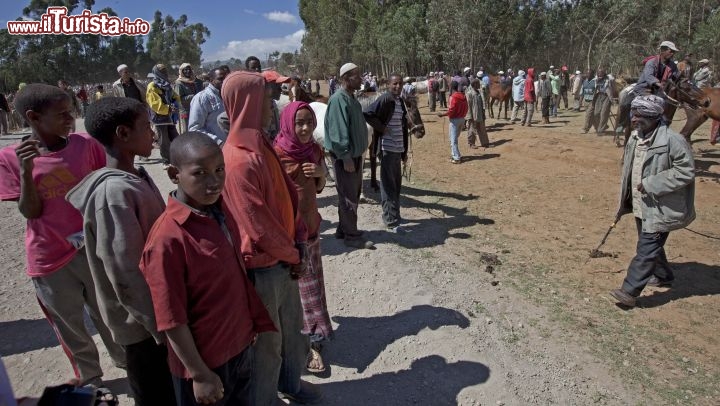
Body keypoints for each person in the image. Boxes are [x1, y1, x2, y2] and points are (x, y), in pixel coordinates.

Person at [0, 83, 125, 386]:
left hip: (92, 251)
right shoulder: (10, 159)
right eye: (62, 114)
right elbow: (30, 212)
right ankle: (90, 376)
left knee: (110, 313)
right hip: (50, 258)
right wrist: (28, 172)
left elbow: (102, 191)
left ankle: (127, 360)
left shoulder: (86, 145)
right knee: (70, 325)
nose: (71, 118)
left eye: (71, 111)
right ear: (33, 116)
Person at [140, 133, 276, 405]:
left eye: (219, 170)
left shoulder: (219, 211)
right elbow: (171, 319)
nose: (214, 182)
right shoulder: (167, 239)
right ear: (173, 174)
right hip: (206, 363)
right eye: (199, 173)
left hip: (239, 346)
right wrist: (200, 374)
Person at [220, 70, 323, 405]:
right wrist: (293, 254)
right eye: (267, 97)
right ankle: (266, 399)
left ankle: (291, 384)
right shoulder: (238, 160)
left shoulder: (261, 144)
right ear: (250, 102)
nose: (272, 104)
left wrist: (297, 241)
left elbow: (287, 199)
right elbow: (258, 227)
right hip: (264, 265)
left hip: (285, 257)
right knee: (267, 345)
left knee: (292, 333)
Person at [66, 97, 176, 405]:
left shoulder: (134, 178)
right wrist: (163, 329)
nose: (153, 133)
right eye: (146, 127)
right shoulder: (114, 194)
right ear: (123, 134)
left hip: (157, 320)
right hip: (144, 330)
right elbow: (126, 276)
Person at [609, 95, 695, 308]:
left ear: (655, 116)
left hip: (661, 205)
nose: (635, 118)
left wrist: (652, 183)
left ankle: (630, 291)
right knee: (650, 242)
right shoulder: (635, 138)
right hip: (641, 203)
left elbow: (686, 171)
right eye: (634, 113)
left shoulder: (672, 141)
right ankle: (663, 274)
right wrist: (625, 200)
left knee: (647, 247)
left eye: (641, 115)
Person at [273, 101, 334, 375]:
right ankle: (309, 343)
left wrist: (321, 174)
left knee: (313, 286)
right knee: (299, 293)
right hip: (289, 237)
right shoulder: (277, 155)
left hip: (311, 228)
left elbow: (319, 186)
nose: (306, 128)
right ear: (287, 123)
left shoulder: (315, 151)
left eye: (310, 121)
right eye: (300, 123)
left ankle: (313, 338)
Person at [325, 63, 374, 249]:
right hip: (346, 157)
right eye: (357, 76)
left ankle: (342, 229)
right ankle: (351, 236)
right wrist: (345, 156)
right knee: (349, 196)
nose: (361, 79)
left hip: (354, 156)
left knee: (348, 193)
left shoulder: (350, 97)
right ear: (346, 78)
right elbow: (338, 131)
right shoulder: (339, 100)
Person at [363, 73, 410, 230]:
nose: (397, 86)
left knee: (396, 185)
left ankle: (395, 215)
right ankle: (390, 220)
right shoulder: (385, 99)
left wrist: (404, 152)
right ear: (389, 85)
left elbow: (402, 126)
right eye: (394, 84)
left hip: (398, 149)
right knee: (388, 185)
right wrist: (382, 128)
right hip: (387, 149)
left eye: (400, 84)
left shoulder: (400, 101)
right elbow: (367, 113)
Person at [617, 41, 680, 132]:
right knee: (625, 104)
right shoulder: (651, 62)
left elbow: (676, 76)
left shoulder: (673, 65)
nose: (673, 53)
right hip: (643, 89)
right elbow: (648, 76)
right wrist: (657, 83)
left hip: (660, 91)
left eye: (674, 52)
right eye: (671, 51)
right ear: (663, 51)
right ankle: (622, 124)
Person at [147, 64, 181, 166]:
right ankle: (166, 161)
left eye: (165, 70)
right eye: (162, 71)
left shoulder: (167, 84)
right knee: (164, 140)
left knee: (175, 137)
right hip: (160, 117)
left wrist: (175, 102)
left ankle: (176, 158)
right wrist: (168, 108)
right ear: (157, 72)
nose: (165, 72)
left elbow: (175, 95)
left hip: (170, 116)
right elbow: (154, 103)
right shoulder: (152, 86)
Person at [189, 66, 229, 146]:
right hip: (213, 148)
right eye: (220, 79)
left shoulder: (228, 96)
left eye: (226, 79)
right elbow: (194, 129)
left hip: (230, 146)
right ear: (211, 80)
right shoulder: (202, 98)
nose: (224, 82)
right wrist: (219, 142)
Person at [438, 80, 468, 163]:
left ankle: (457, 158)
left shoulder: (453, 97)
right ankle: (454, 154)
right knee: (454, 139)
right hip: (462, 119)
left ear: (451, 87)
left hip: (455, 121)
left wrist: (443, 114)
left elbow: (451, 110)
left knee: (453, 139)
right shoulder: (463, 96)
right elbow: (466, 107)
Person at [262, 70, 292, 142]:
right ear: (266, 86)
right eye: (277, 85)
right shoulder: (261, 109)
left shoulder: (273, 103)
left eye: (280, 85)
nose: (280, 90)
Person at [174, 63, 204, 134]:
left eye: (189, 69)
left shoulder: (195, 81)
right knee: (187, 130)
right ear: (181, 71)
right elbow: (178, 99)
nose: (188, 71)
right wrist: (193, 96)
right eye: (185, 70)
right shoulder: (179, 83)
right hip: (185, 111)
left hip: (196, 108)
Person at [582, 68, 615, 134]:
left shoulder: (609, 79)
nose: (599, 74)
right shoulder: (596, 79)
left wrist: (612, 98)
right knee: (596, 113)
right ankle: (602, 126)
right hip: (599, 96)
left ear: (604, 73)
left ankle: (600, 130)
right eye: (598, 73)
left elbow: (613, 87)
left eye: (601, 73)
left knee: (603, 114)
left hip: (607, 97)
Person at [464, 78, 489, 148]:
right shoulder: (469, 94)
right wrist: (469, 116)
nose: (479, 85)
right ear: (474, 84)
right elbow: (468, 106)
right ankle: (471, 143)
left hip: (480, 115)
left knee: (482, 129)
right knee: (471, 129)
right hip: (473, 115)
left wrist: (483, 113)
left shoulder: (479, 93)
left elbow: (481, 105)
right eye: (478, 84)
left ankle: (485, 142)